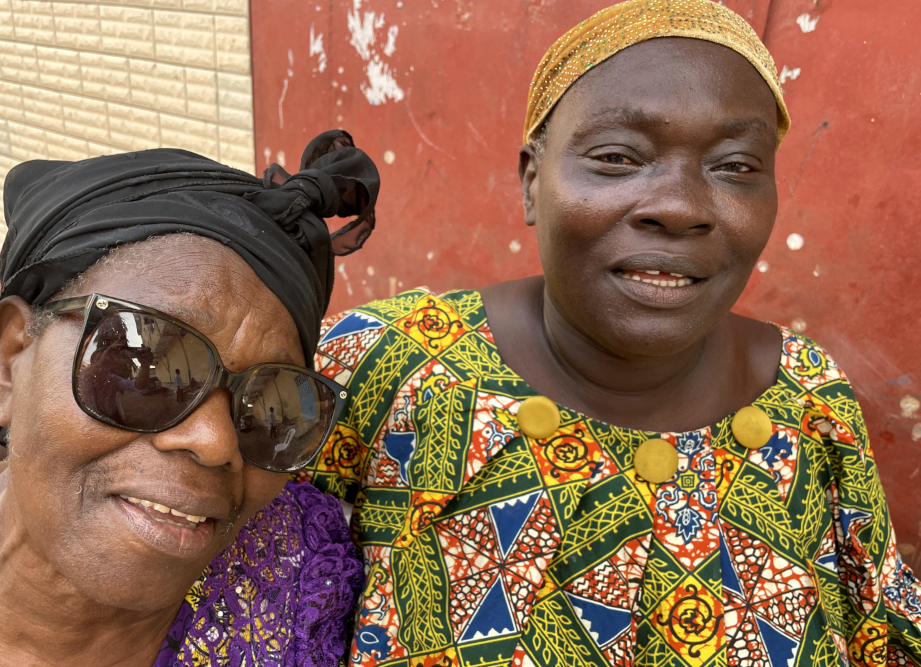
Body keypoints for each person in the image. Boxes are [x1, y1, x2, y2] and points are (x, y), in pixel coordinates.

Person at [297, 1, 921, 665]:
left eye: (736, 165)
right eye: (618, 156)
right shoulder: (383, 366)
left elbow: (880, 634)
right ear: (533, 181)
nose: (679, 206)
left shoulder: (809, 404)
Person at [0, 130, 378, 666]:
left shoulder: (300, 578)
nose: (215, 442)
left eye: (272, 401)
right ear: (11, 360)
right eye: (146, 369)